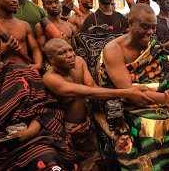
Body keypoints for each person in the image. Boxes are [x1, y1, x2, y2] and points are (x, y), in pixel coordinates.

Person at [98, 3, 169, 170]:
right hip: (128, 104)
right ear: (130, 23)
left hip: (160, 97)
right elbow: (129, 92)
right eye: (144, 27)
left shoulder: (152, 45)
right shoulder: (114, 49)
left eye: (153, 27)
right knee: (154, 125)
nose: (150, 32)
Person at [42, 38, 153, 169]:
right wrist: (127, 92)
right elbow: (88, 92)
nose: (70, 55)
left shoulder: (79, 62)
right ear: (51, 59)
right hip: (69, 130)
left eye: (70, 50)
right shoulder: (50, 78)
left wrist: (125, 96)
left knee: (99, 158)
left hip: (89, 121)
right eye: (62, 53)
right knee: (79, 164)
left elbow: (93, 88)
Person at [0, 61, 76, 170]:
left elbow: (47, 105)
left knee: (46, 160)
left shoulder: (20, 72)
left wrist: (30, 131)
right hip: (0, 152)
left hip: (36, 138)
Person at [78, 0, 129, 83]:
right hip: (99, 69)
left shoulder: (121, 18)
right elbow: (86, 49)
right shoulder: (91, 19)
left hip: (121, 64)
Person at [0, 0, 42, 71]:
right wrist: (5, 48)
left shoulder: (24, 25)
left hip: (26, 71)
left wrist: (38, 64)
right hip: (1, 75)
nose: (15, 0)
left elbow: (35, 48)